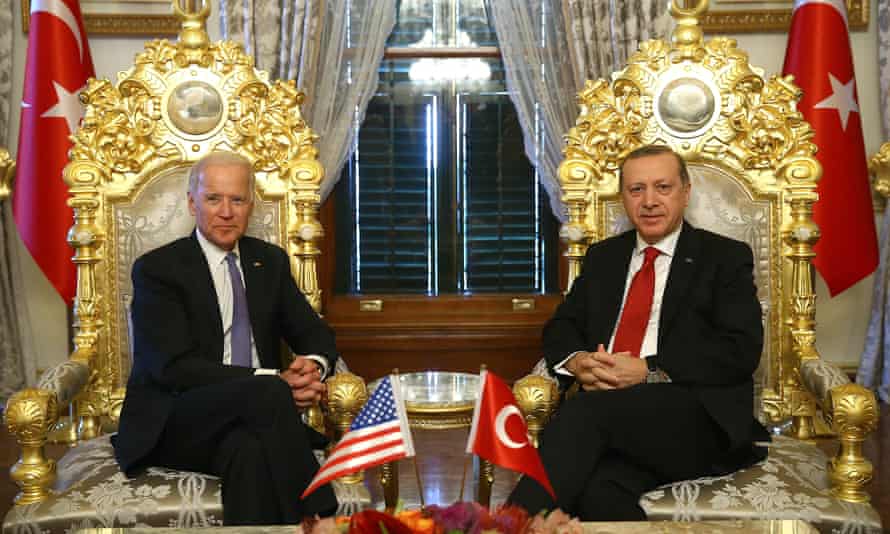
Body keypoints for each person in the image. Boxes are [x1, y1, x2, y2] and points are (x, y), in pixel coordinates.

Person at [508, 144, 769, 520]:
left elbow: (740, 350)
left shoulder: (724, 258)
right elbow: (562, 326)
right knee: (601, 492)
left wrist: (649, 369)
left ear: (685, 192)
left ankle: (504, 526)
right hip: (615, 422)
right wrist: (577, 361)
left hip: (693, 419)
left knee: (585, 414)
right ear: (624, 197)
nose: (649, 201)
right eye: (636, 189)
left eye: (662, 187)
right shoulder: (603, 258)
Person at [113, 151, 338, 525]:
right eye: (213, 198)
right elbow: (171, 368)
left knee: (248, 451)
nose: (226, 212)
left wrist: (311, 367)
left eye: (237, 199)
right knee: (266, 390)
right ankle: (323, 516)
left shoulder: (269, 261)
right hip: (177, 417)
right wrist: (274, 382)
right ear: (192, 202)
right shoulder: (158, 269)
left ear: (250, 205)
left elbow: (313, 331)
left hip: (255, 417)